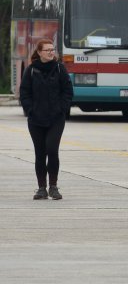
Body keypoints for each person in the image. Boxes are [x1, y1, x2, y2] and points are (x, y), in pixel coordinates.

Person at [19, 39, 74, 200]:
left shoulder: (59, 68)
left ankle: (54, 186)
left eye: (52, 49)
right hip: (36, 119)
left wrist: (62, 109)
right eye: (48, 50)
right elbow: (24, 93)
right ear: (40, 52)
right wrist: (30, 110)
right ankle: (41, 188)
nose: (51, 52)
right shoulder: (30, 70)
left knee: (52, 149)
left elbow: (67, 91)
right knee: (40, 153)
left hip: (56, 119)